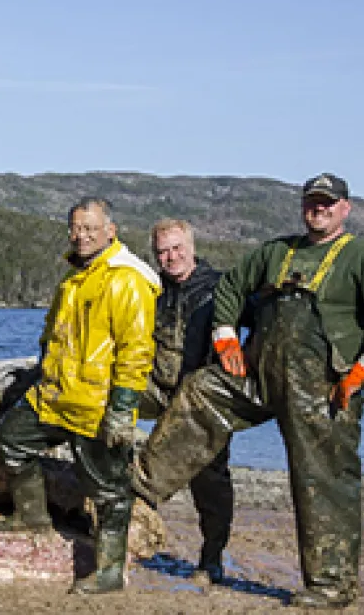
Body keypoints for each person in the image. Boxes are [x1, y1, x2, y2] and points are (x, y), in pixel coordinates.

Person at [133, 174, 364, 609]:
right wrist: (225, 336)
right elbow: (231, 287)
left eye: (328, 203)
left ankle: (330, 585)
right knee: (202, 392)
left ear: (344, 209)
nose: (319, 209)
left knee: (324, 480)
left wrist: (361, 370)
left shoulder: (357, 255)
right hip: (258, 374)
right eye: (313, 202)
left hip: (325, 387)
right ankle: (139, 492)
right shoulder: (277, 251)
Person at [0, 197, 159, 595]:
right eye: (76, 228)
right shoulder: (74, 277)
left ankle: (109, 571)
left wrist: (121, 409)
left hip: (96, 406)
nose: (81, 235)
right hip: (54, 397)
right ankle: (32, 516)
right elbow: (54, 338)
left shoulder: (126, 279)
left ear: (110, 231)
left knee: (109, 491)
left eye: (90, 228)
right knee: (11, 439)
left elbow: (136, 352)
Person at [145, 218, 233, 584]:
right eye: (163, 251)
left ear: (192, 248)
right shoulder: (152, 291)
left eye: (177, 248)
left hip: (205, 398)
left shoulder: (220, 288)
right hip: (158, 388)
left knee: (209, 476)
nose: (171, 257)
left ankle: (211, 556)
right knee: (103, 422)